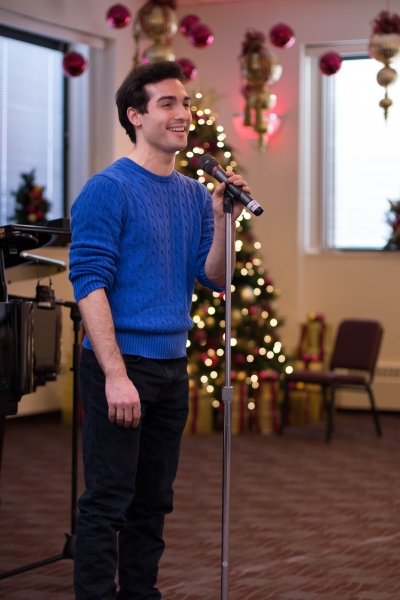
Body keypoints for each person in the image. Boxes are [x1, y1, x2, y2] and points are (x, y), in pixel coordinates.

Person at [69, 61, 250, 600]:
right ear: (135, 115)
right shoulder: (108, 189)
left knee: (153, 502)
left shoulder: (197, 195)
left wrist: (224, 218)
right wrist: (115, 375)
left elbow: (214, 278)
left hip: (172, 367)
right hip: (120, 367)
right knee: (108, 501)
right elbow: (89, 286)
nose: (182, 114)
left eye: (185, 103)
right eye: (167, 103)